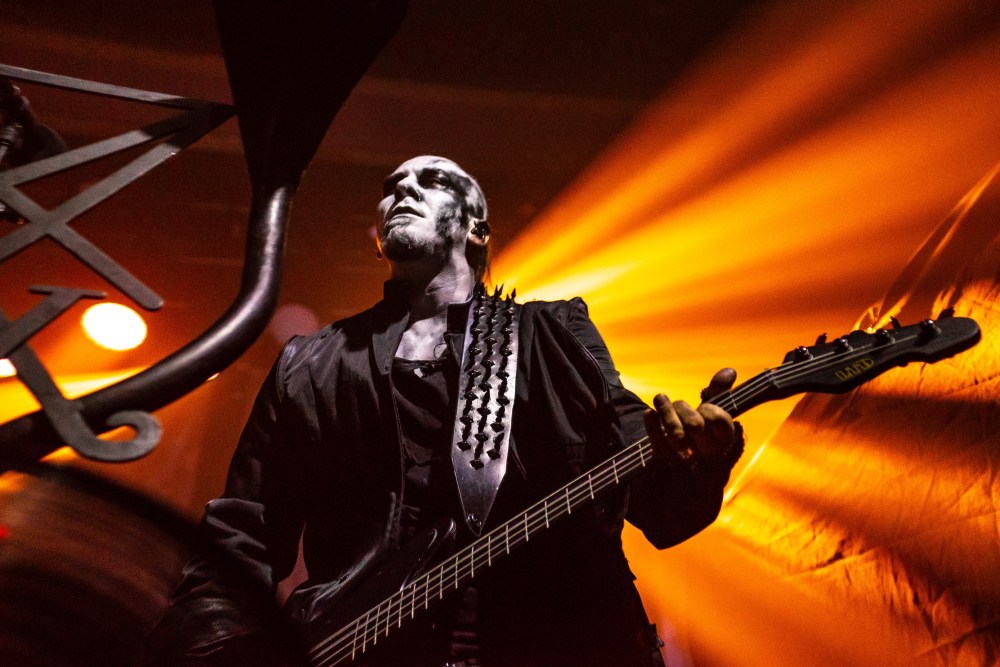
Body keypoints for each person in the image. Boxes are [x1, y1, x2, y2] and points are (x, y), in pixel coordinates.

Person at [150, 155, 744, 666]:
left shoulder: (551, 335)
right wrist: (210, 650)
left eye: (430, 181)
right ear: (377, 239)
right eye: (391, 187)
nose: (403, 189)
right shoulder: (310, 364)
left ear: (478, 229)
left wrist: (699, 457)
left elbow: (661, 508)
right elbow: (241, 534)